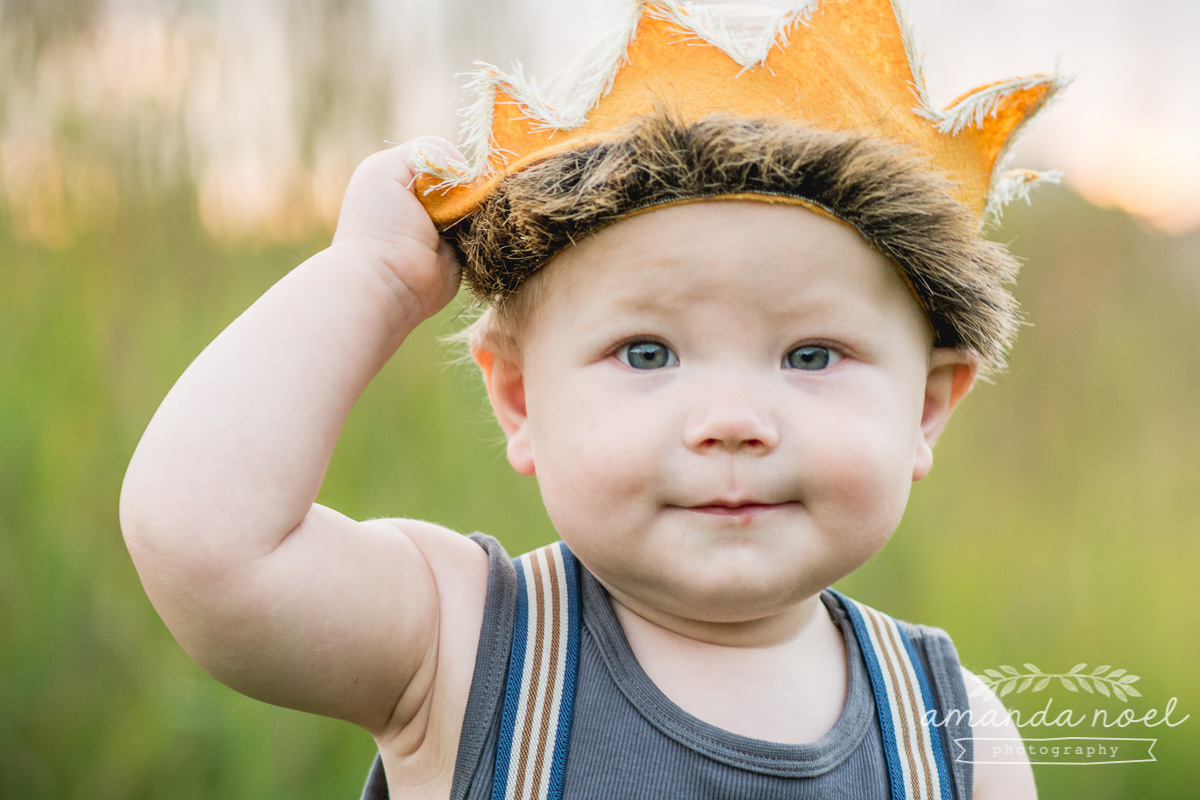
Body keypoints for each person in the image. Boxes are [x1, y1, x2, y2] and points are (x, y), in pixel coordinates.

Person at [121, 2, 1064, 797]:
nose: (731, 420)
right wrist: (370, 279)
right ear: (521, 399)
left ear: (928, 406)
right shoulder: (459, 648)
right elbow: (207, 543)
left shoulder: (955, 736)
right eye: (647, 352)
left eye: (812, 355)